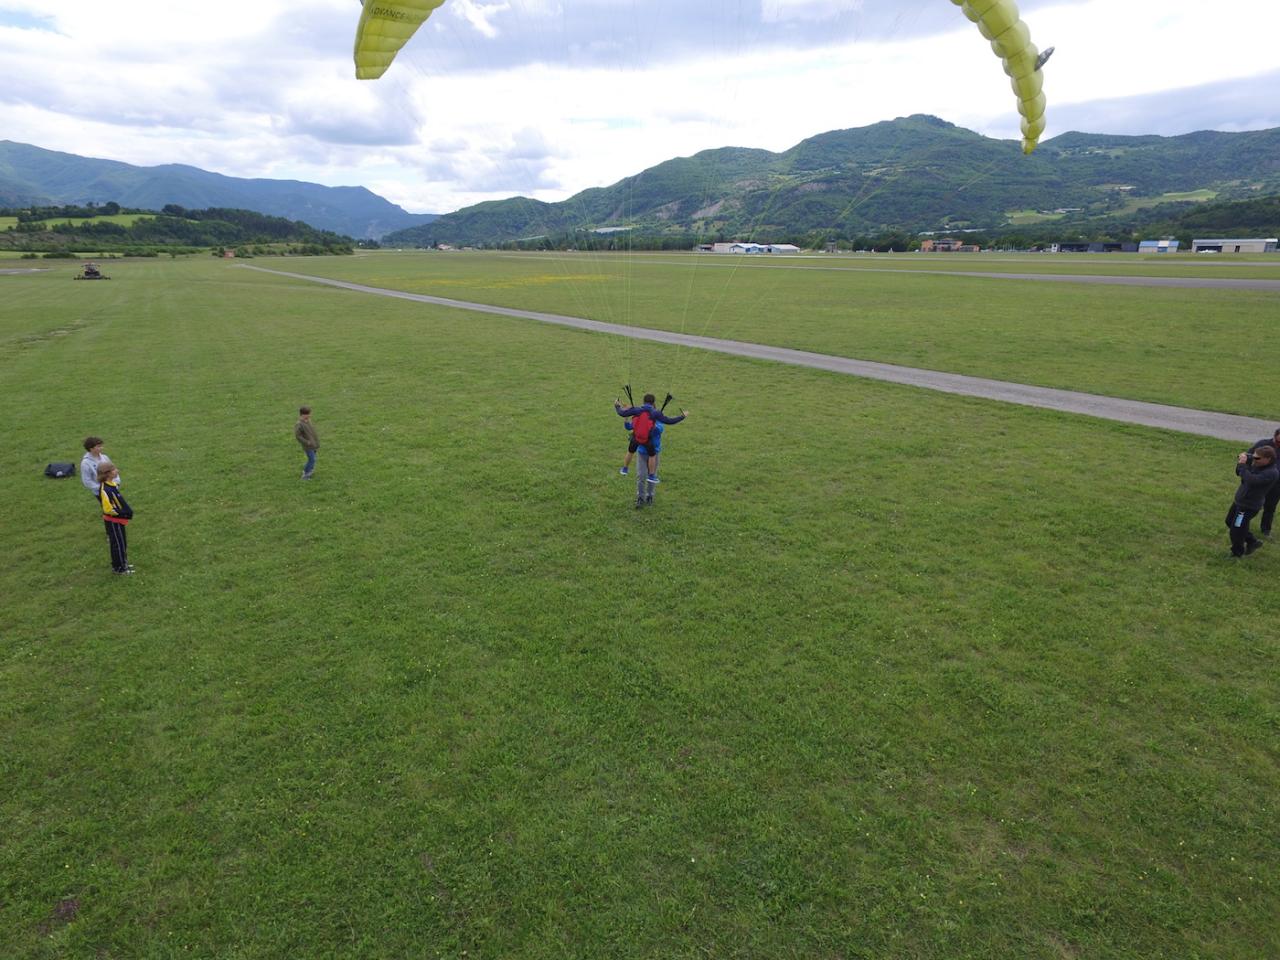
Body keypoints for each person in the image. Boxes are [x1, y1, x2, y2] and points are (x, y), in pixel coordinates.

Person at [614, 393, 688, 484]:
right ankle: (651, 476)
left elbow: (621, 413)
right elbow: (669, 421)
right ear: (653, 403)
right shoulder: (655, 413)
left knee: (630, 451)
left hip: (636, 437)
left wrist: (617, 405)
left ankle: (625, 469)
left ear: (643, 401)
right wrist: (682, 416)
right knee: (652, 455)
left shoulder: (637, 410)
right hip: (647, 439)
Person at [1226, 444, 1278, 558]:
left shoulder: (1271, 473)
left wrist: (1243, 465)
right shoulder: (1257, 464)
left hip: (1248, 506)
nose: (1255, 459)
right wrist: (1242, 463)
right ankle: (1252, 541)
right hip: (1239, 501)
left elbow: (1251, 480)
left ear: (1268, 459)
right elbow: (1239, 472)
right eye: (1254, 456)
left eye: (1257, 458)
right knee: (1230, 521)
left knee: (1237, 529)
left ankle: (1237, 553)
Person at [98, 463, 134, 575]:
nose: (116, 470)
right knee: (118, 544)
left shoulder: (112, 484)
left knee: (122, 543)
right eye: (113, 470)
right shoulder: (105, 489)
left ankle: (123, 563)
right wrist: (122, 514)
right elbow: (108, 509)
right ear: (107, 474)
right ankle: (119, 568)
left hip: (118, 521)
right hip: (114, 522)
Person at [1248, 427, 1280, 536]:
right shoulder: (1263, 445)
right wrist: (1247, 473)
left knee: (1270, 507)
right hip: (1258, 483)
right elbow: (1249, 457)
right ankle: (1241, 525)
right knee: (1246, 506)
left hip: (1276, 485)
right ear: (1275, 436)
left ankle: (1265, 529)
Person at [295, 406, 319, 480]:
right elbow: (298, 436)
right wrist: (307, 442)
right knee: (312, 459)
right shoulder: (299, 424)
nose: (309, 415)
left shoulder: (308, 421)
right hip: (308, 446)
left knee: (313, 458)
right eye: (308, 414)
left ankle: (308, 470)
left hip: (313, 444)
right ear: (302, 415)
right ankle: (305, 475)